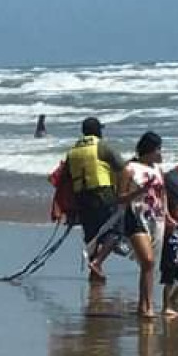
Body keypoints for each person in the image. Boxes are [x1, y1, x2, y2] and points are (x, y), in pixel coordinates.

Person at [66, 117, 127, 282]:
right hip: (103, 194)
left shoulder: (72, 151)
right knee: (116, 230)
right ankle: (97, 262)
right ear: (97, 131)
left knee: (91, 235)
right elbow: (123, 168)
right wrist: (122, 194)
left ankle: (94, 273)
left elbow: (66, 179)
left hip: (81, 197)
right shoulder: (102, 146)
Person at [120, 132, 168, 318]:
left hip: (156, 218)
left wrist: (168, 215)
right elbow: (119, 199)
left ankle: (145, 304)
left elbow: (163, 193)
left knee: (151, 264)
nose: (160, 153)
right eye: (158, 149)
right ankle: (146, 306)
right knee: (147, 260)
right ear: (149, 150)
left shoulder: (158, 170)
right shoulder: (129, 169)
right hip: (135, 216)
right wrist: (139, 191)